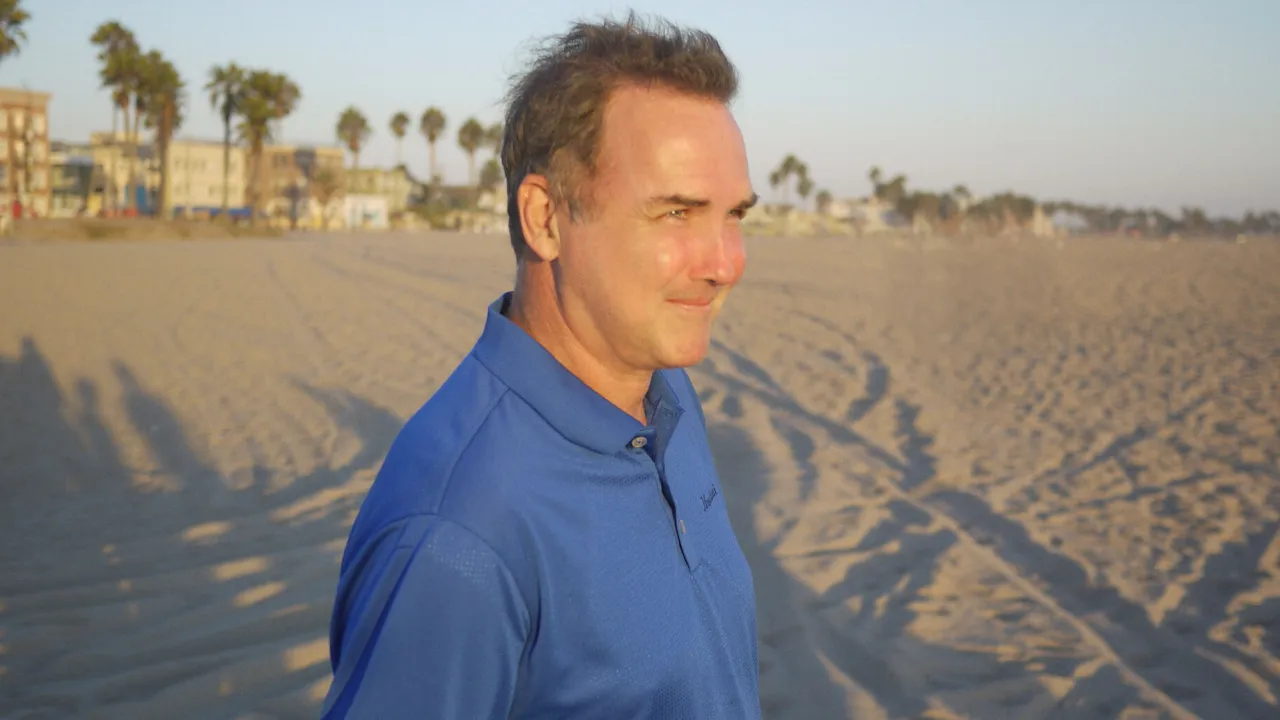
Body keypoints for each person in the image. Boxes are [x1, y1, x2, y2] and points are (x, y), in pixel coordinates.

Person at [322, 11, 760, 719]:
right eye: (677, 214)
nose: (725, 263)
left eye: (734, 215)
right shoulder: (459, 533)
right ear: (546, 218)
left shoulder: (668, 397)